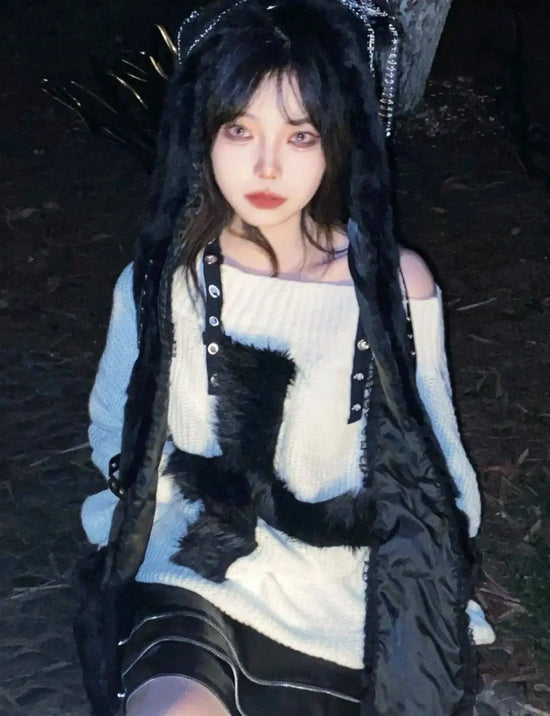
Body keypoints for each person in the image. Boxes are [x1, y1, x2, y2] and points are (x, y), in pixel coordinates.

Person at [74, 1, 495, 714]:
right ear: (203, 135)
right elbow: (115, 427)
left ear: (337, 142)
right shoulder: (164, 281)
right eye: (240, 130)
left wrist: (426, 586)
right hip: (196, 570)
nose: (266, 165)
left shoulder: (391, 287)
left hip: (346, 594)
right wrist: (171, 509)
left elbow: (440, 471)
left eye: (300, 135)